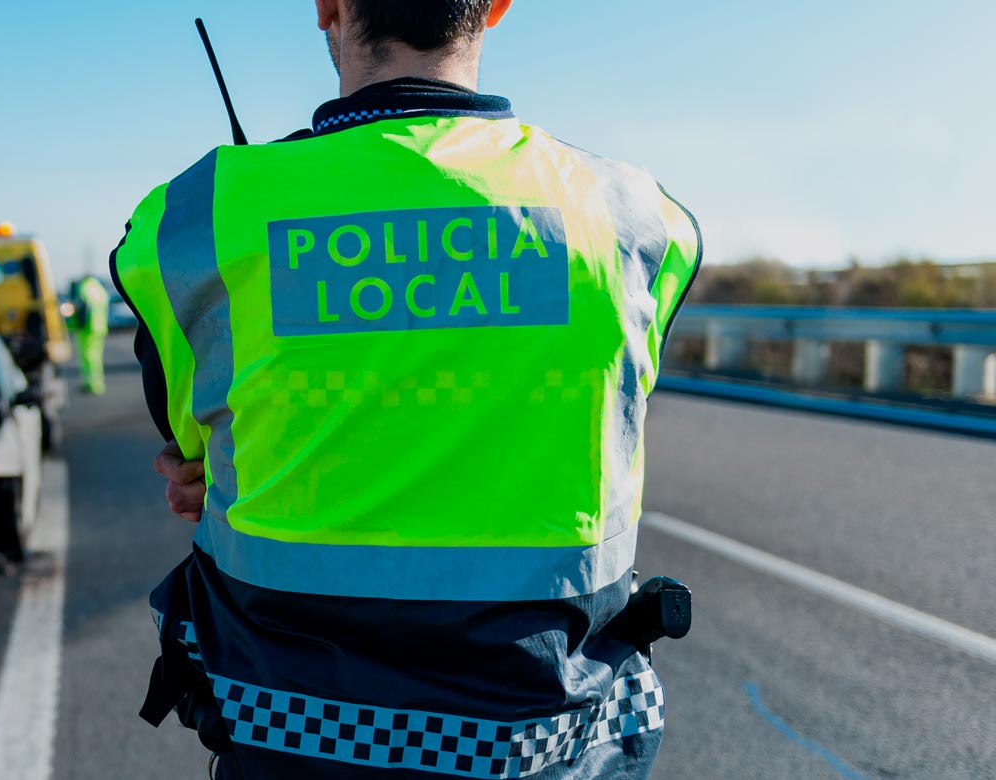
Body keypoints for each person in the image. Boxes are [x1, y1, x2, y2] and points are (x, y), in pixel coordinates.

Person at [113, 1, 701, 777]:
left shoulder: (191, 220)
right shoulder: (637, 219)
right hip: (548, 747)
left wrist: (217, 468)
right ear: (496, 6)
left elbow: (192, 448)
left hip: (296, 740)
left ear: (328, 6)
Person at [67, 275, 111, 395]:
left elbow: (80, 307)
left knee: (88, 358)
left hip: (86, 329)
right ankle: (98, 383)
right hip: (100, 327)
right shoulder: (100, 290)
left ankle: (91, 384)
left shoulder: (84, 288)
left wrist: (71, 324)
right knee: (97, 357)